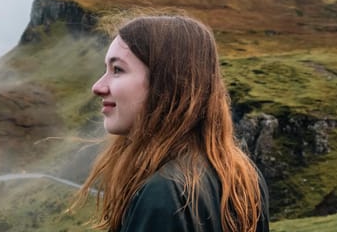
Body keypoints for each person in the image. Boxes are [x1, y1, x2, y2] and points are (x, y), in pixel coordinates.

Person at [73, 15, 270, 232]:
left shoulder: (163, 193)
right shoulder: (244, 177)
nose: (98, 87)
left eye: (117, 70)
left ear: (165, 83)